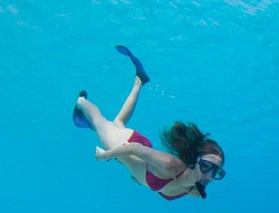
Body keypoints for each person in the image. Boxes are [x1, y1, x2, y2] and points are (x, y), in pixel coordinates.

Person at [73, 45, 225, 200]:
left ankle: (139, 81)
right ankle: (81, 102)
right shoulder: (170, 165)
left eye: (216, 171)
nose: (210, 176)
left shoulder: (195, 189)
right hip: (125, 145)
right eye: (206, 166)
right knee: (100, 122)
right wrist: (105, 156)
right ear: (195, 160)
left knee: (118, 123)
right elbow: (132, 148)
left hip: (139, 155)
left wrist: (138, 177)